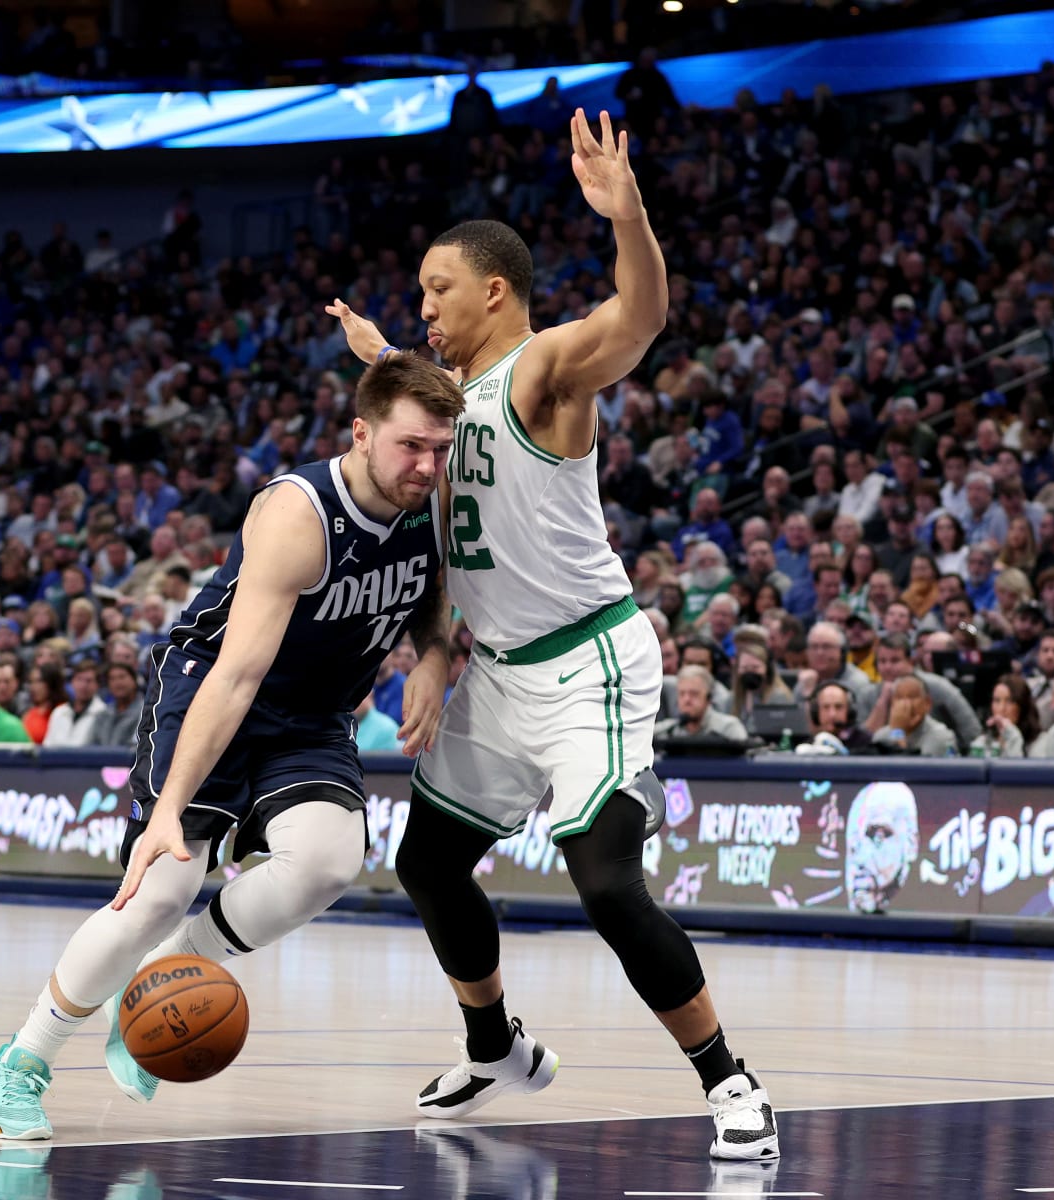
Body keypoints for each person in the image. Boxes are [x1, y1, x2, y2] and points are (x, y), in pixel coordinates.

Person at [327, 110, 777, 1162]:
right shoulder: (440, 408)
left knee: (607, 883)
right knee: (429, 863)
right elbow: (451, 544)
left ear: (493, 289)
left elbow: (638, 317)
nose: (423, 302)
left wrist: (629, 217)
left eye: (439, 286)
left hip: (588, 662)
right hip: (498, 674)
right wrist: (434, 651)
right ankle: (494, 1046)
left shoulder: (541, 370)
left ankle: (732, 1083)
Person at [0, 353, 462, 1141]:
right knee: (163, 886)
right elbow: (237, 676)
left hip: (311, 717)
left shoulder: (433, 500)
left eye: (441, 449)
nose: (428, 465)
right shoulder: (298, 514)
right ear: (362, 433)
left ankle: (170, 967)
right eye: (412, 446)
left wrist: (435, 658)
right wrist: (167, 811)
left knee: (330, 861)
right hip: (212, 692)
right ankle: (23, 1059)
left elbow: (430, 591)